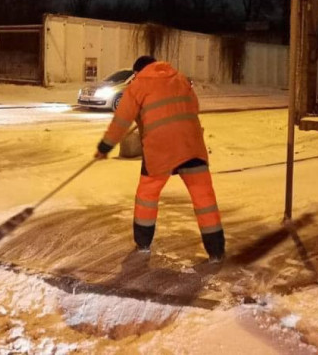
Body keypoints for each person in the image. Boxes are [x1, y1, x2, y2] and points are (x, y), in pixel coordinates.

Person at [94, 55, 225, 262]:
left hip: (159, 150)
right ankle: (216, 251)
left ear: (137, 73)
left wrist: (105, 147)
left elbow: (121, 120)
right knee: (204, 199)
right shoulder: (180, 79)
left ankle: (143, 243)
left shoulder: (137, 86)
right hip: (191, 146)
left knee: (148, 194)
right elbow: (194, 106)